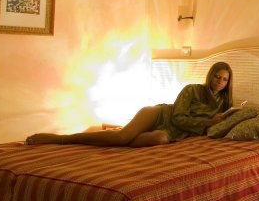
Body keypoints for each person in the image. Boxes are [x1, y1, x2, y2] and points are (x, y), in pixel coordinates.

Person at [25, 62, 235, 147]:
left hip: (172, 133)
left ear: (228, 83)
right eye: (217, 76)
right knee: (122, 137)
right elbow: (178, 117)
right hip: (160, 115)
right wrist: (207, 122)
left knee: (159, 139)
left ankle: (117, 136)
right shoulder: (192, 89)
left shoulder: (223, 106)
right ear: (210, 75)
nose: (219, 81)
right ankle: (61, 139)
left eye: (224, 79)